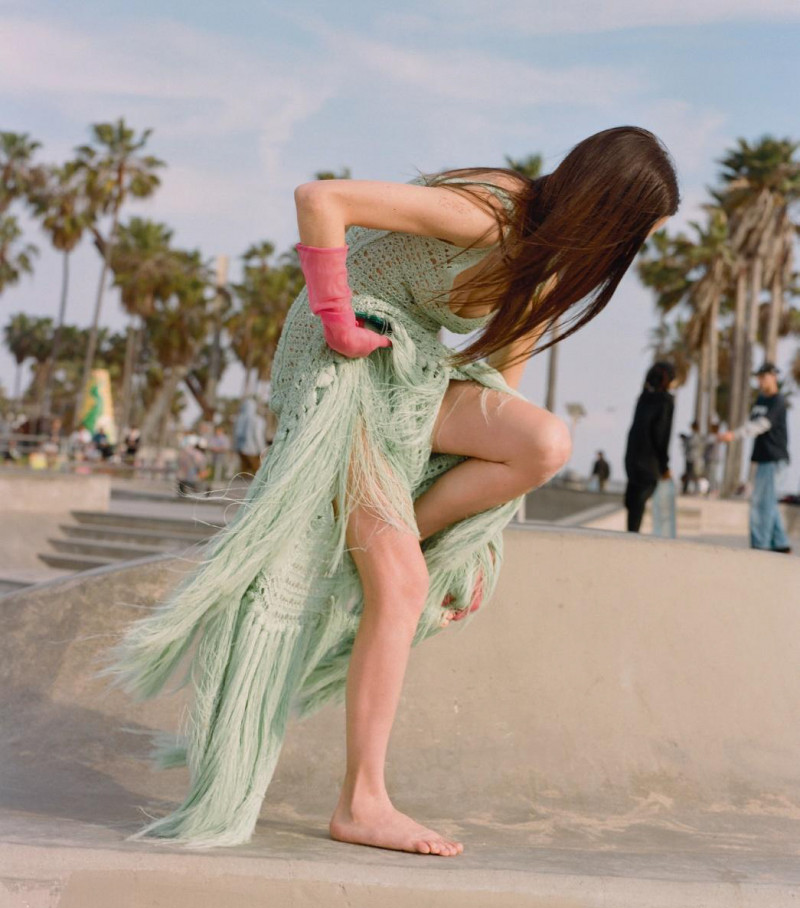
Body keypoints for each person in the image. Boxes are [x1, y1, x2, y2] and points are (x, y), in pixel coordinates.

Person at [99, 126, 680, 857]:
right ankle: (362, 800)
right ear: (608, 208)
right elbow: (322, 199)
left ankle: (419, 542)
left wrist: (474, 545)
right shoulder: (491, 213)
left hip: (408, 377)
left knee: (546, 442)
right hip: (342, 368)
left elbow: (502, 391)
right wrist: (338, 319)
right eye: (637, 233)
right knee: (398, 586)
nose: (632, 252)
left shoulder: (541, 268)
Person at [718, 361, 791, 553]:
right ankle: (781, 543)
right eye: (758, 378)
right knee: (768, 501)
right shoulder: (760, 401)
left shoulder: (778, 401)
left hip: (774, 459)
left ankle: (761, 545)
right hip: (762, 458)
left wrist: (734, 435)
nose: (760, 381)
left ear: (773, 376)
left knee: (761, 502)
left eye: (763, 377)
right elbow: (752, 422)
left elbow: (761, 425)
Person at [624, 361, 676, 533]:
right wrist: (665, 466)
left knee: (633, 500)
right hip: (649, 461)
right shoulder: (666, 401)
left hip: (632, 457)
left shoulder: (643, 397)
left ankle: (631, 533)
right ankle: (632, 537)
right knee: (641, 497)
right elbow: (662, 435)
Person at [233, 396, 267, 475]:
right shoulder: (258, 420)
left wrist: (235, 448)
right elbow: (258, 436)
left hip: (240, 450)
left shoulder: (238, 419)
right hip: (253, 451)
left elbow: (236, 435)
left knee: (243, 475)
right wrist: (262, 449)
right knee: (257, 475)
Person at [679, 420, 704, 495]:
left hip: (693, 458)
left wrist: (686, 440)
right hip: (690, 457)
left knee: (693, 474)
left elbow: (692, 444)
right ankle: (686, 489)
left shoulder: (696, 436)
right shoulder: (693, 436)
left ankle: (695, 490)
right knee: (688, 474)